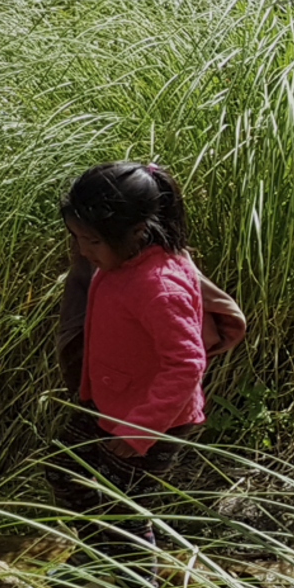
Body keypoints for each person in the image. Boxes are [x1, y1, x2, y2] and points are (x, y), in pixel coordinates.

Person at [50, 161, 220, 564]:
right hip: (109, 401)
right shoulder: (123, 262)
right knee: (62, 470)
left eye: (92, 241)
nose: (82, 251)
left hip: (155, 420)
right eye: (76, 238)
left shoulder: (159, 286)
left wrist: (139, 430)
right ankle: (96, 552)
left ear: (137, 231)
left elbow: (186, 363)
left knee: (124, 509)